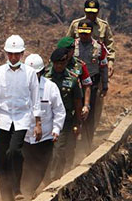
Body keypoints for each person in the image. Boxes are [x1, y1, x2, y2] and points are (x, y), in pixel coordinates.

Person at [0, 35, 42, 201]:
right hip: (2, 118)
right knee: (0, 158)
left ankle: (17, 188)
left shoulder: (31, 74)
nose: (13, 57)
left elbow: (35, 99)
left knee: (14, 151)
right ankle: (5, 196)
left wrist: (37, 123)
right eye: (10, 53)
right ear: (6, 53)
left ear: (22, 54)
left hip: (21, 118)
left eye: (17, 54)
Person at [21, 54, 66, 198]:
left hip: (45, 137)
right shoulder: (18, 88)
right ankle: (21, 191)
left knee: (39, 167)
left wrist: (56, 129)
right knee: (23, 165)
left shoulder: (50, 88)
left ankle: (28, 192)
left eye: (36, 74)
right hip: (24, 135)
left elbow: (59, 110)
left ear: (42, 72)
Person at [44, 48, 83, 181]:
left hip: (64, 121)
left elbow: (78, 102)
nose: (59, 66)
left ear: (66, 63)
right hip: (45, 119)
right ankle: (43, 177)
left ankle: (55, 178)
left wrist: (78, 122)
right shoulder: (44, 77)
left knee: (59, 150)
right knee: (45, 150)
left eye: (62, 63)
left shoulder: (72, 79)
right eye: (56, 63)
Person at [74, 19, 109, 153]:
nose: (83, 36)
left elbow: (104, 67)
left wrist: (104, 85)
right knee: (74, 113)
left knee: (89, 114)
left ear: (91, 32)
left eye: (86, 33)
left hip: (92, 85)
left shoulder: (99, 47)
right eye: (81, 33)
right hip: (75, 84)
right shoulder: (73, 45)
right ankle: (73, 145)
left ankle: (86, 146)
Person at [67, 0, 115, 77]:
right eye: (88, 12)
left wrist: (110, 63)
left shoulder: (103, 26)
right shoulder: (75, 24)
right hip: (77, 67)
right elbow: (67, 44)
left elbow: (110, 47)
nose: (91, 15)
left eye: (94, 13)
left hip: (96, 69)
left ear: (98, 11)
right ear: (84, 10)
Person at [56, 36, 92, 120]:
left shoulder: (80, 65)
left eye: (67, 51)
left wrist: (86, 105)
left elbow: (87, 85)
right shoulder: (54, 63)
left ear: (72, 50)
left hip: (74, 104)